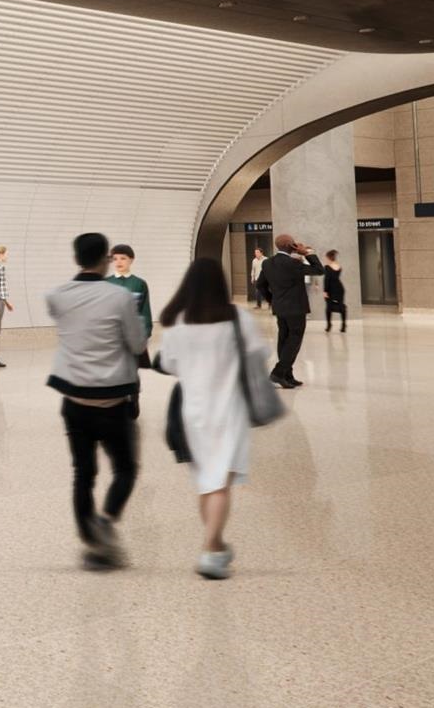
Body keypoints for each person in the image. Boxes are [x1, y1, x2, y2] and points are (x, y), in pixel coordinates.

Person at [154, 258, 272, 580]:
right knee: (220, 482)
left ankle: (216, 543)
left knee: (208, 483)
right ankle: (210, 550)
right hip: (229, 410)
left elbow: (169, 363)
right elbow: (261, 356)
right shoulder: (237, 319)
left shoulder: (178, 322)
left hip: (192, 411)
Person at [46, 232, 145, 570]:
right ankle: (105, 521)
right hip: (113, 399)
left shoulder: (57, 296)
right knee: (126, 469)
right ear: (105, 259)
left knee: (83, 473)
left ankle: (91, 542)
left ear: (76, 259)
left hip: (74, 398)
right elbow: (135, 342)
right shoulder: (119, 298)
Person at [256, 234, 323, 389]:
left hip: (280, 307)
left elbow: (260, 285)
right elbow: (319, 270)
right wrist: (307, 253)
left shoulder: (268, 263)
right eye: (293, 243)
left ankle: (287, 375)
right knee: (294, 340)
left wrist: (271, 300)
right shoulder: (293, 263)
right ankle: (278, 373)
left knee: (284, 339)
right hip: (296, 308)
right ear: (290, 246)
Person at [107, 244, 153, 352]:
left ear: (131, 260)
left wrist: (145, 334)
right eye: (115, 259)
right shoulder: (106, 282)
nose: (119, 262)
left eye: (123, 258)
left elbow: (145, 311)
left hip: (132, 336)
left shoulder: (139, 283)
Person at [322, 250, 347, 334]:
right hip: (340, 289)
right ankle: (343, 325)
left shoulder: (327, 267)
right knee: (341, 306)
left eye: (326, 257)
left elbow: (327, 280)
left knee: (328, 307)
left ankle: (329, 325)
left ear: (328, 257)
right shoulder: (339, 266)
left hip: (331, 289)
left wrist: (325, 291)